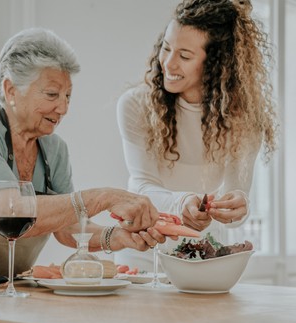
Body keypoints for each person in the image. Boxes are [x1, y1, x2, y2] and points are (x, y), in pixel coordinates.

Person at [0, 28, 166, 283]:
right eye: (52, 94)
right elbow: (9, 210)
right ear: (11, 90)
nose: (63, 108)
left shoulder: (54, 149)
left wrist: (119, 236)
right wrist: (103, 197)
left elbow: (68, 228)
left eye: (68, 96)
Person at [116, 0, 277, 269]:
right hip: (142, 255)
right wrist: (182, 203)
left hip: (204, 259)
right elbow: (142, 187)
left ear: (216, 64)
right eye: (166, 48)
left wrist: (238, 205)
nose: (168, 63)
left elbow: (235, 199)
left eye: (185, 56)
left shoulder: (245, 120)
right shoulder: (135, 105)